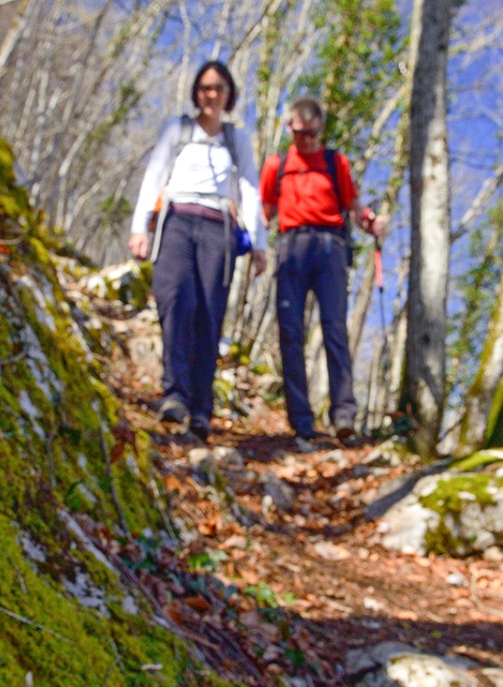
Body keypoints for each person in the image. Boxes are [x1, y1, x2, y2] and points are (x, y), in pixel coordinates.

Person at [128, 61, 265, 441]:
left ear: (228, 95)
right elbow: (154, 175)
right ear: (196, 91)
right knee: (174, 302)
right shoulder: (178, 129)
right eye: (205, 87)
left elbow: (250, 189)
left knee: (209, 311)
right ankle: (174, 395)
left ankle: (202, 408)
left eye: (218, 88)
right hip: (175, 220)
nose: (211, 94)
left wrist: (258, 244)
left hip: (217, 227)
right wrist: (140, 227)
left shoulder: (236, 141)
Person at [259, 97, 387, 445]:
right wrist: (251, 241)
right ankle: (301, 421)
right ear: (290, 129)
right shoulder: (278, 164)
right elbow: (264, 209)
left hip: (330, 248)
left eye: (313, 134)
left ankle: (344, 415)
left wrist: (370, 223)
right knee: (290, 332)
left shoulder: (336, 163)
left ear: (321, 131)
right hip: (291, 247)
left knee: (334, 329)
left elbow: (354, 205)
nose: (306, 141)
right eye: (300, 134)